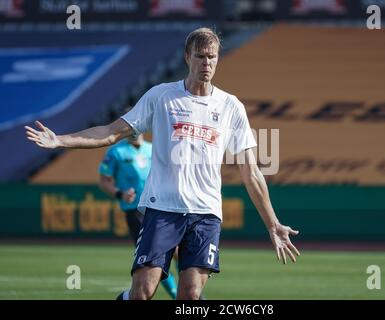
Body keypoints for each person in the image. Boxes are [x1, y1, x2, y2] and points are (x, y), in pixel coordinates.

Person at [25, 27, 300, 300]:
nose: (207, 63)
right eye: (201, 56)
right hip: (162, 209)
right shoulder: (161, 96)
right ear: (186, 57)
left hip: (206, 214)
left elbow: (251, 172)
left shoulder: (231, 107)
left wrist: (272, 223)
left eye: (212, 57)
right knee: (142, 292)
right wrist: (61, 140)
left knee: (190, 296)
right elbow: (111, 132)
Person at [97, 131, 178, 300]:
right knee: (154, 257)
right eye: (130, 128)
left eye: (137, 127)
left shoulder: (153, 148)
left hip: (161, 207)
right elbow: (104, 180)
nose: (134, 132)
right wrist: (120, 194)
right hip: (136, 211)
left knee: (178, 251)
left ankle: (191, 293)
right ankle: (177, 295)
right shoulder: (116, 152)